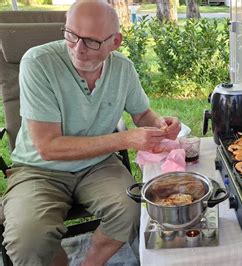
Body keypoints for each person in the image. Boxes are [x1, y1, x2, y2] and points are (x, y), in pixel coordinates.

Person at [1, 0, 181, 265]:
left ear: (115, 42)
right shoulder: (38, 63)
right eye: (71, 35)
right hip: (39, 169)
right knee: (29, 239)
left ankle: (90, 263)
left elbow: (142, 114)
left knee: (132, 210)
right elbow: (47, 147)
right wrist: (125, 138)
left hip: (98, 165)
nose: (78, 49)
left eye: (92, 41)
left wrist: (161, 125)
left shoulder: (123, 69)